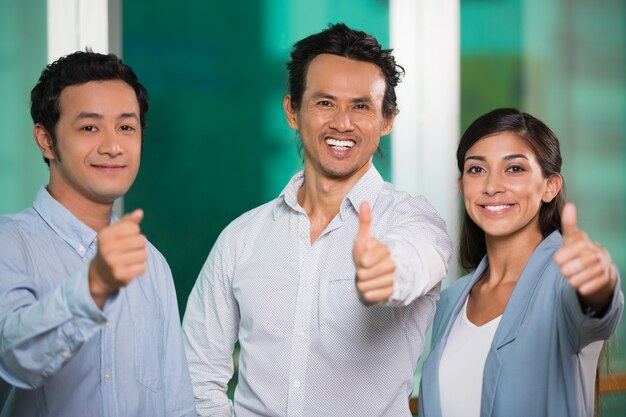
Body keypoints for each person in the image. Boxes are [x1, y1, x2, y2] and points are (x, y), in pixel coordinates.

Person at [183, 23, 452, 417]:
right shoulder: (242, 238)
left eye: (361, 106)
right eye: (325, 102)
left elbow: (418, 257)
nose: (342, 122)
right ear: (292, 110)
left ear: (387, 119)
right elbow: (197, 373)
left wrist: (387, 270)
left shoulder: (411, 221)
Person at [0, 51, 196, 417]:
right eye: (90, 127)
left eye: (126, 127)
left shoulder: (152, 264)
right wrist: (92, 288)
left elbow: (177, 406)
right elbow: (15, 358)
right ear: (46, 140)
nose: (113, 146)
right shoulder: (9, 245)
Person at [418, 108, 624, 417]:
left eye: (514, 168)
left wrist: (600, 283)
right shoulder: (450, 302)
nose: (492, 186)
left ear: (549, 186)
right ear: (462, 186)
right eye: (476, 169)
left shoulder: (564, 285)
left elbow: (597, 307)